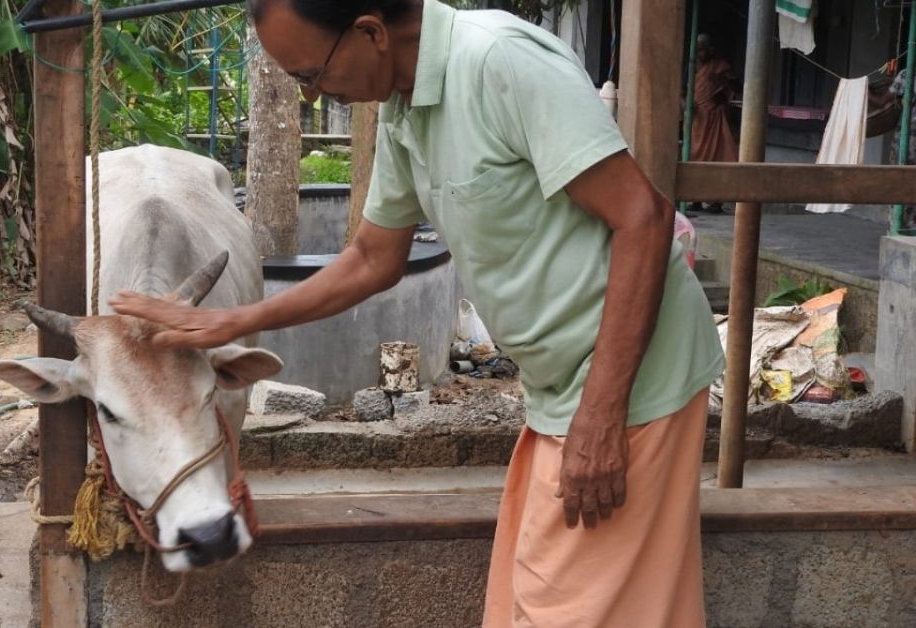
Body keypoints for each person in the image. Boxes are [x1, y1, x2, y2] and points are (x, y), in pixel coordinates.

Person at [111, 1, 725, 626]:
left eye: (310, 77)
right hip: (561, 390)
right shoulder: (404, 107)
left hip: (627, 385)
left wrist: (601, 415)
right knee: (544, 604)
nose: (313, 95)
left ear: (371, 32)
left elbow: (642, 219)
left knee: (557, 610)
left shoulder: (500, 60)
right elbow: (373, 258)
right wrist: (232, 322)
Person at [688, 33, 739, 214]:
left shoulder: (719, 66)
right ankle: (695, 198)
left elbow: (734, 85)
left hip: (714, 118)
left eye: (703, 49)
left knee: (717, 156)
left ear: (710, 49)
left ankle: (715, 201)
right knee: (695, 157)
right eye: (698, 50)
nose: (700, 53)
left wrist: (721, 88)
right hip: (698, 119)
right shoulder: (693, 67)